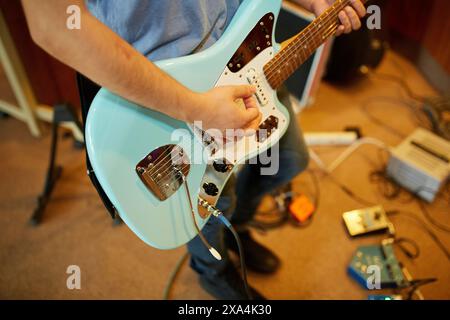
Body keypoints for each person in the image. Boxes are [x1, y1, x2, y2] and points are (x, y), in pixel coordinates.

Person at [23, 0, 366, 299]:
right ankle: (212, 271)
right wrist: (198, 109)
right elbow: (54, 25)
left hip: (249, 51)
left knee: (288, 161)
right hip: (170, 87)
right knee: (216, 201)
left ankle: (238, 233)